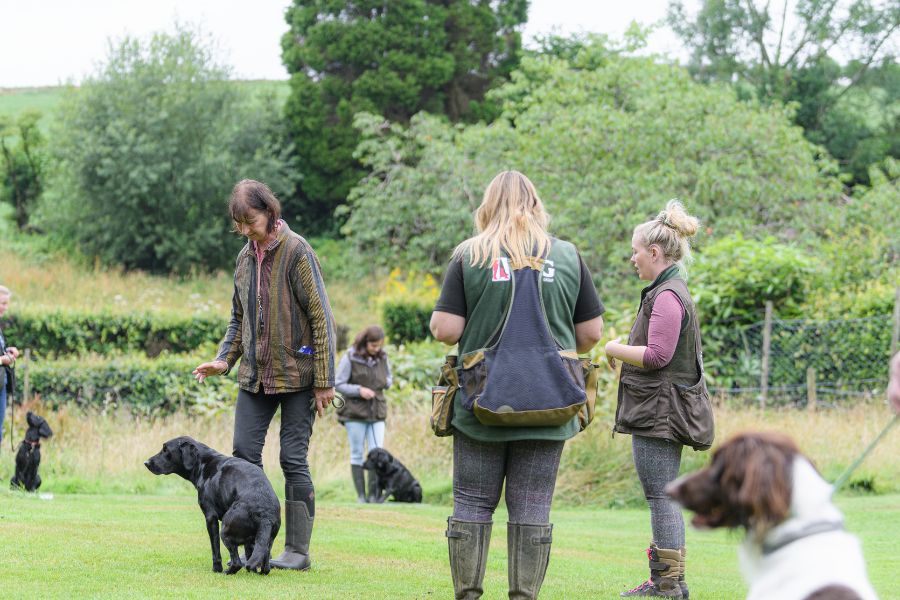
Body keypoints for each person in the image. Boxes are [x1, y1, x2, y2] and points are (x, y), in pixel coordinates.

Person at [430, 170, 604, 599]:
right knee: (532, 506)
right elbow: (592, 334)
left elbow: (445, 330)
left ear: (488, 205)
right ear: (536, 204)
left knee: (472, 500)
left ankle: (468, 594)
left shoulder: (470, 255)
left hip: (480, 401)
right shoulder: (566, 255)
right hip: (551, 401)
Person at [192, 179, 336, 572]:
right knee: (242, 457)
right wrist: (225, 359)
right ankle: (248, 546)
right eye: (238, 224)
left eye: (250, 221)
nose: (245, 230)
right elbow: (238, 319)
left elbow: (322, 319)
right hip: (254, 377)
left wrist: (324, 380)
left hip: (298, 377)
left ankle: (297, 551)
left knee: (292, 459)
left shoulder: (298, 252)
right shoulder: (243, 259)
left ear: (270, 213)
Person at [605, 200, 709, 599]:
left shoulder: (666, 295)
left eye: (635, 250)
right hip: (660, 410)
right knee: (664, 495)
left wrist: (615, 348)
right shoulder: (669, 291)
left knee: (661, 496)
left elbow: (657, 356)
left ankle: (666, 586)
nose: (632, 258)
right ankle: (671, 583)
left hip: (659, 414)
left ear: (654, 253)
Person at [334, 325, 393, 503]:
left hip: (377, 412)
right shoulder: (350, 357)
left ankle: (374, 497)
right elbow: (338, 383)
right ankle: (361, 497)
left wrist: (386, 382)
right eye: (373, 345)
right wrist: (359, 390)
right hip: (355, 414)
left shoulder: (383, 357)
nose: (377, 349)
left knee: (376, 452)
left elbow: (389, 378)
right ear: (365, 342)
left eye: (379, 346)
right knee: (357, 453)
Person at [0, 285, 21, 448]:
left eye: (7, 304)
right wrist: (3, 360)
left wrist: (7, 352)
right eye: (2, 303)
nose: (5, 308)